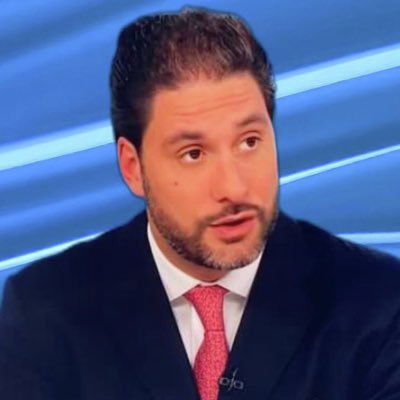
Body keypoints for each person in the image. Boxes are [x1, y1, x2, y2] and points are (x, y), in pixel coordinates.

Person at [1, 7, 400, 400]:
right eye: (193, 154)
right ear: (133, 167)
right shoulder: (46, 312)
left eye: (249, 142)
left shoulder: (376, 302)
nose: (234, 187)